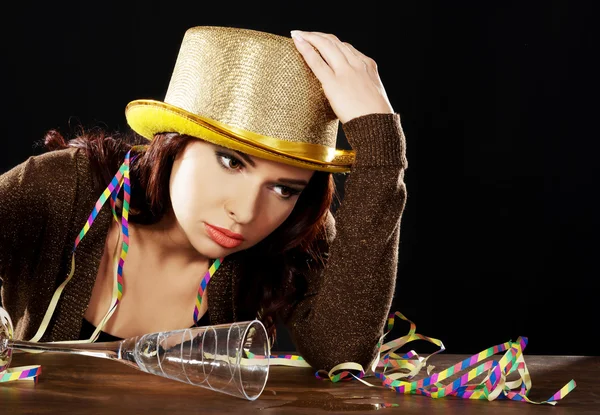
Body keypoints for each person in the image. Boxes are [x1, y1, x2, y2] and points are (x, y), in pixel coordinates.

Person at [0, 26, 407, 373]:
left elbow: (342, 354)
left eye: (283, 188)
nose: (246, 213)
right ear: (173, 144)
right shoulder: (64, 186)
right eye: (230, 162)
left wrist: (383, 155)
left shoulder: (295, 230)